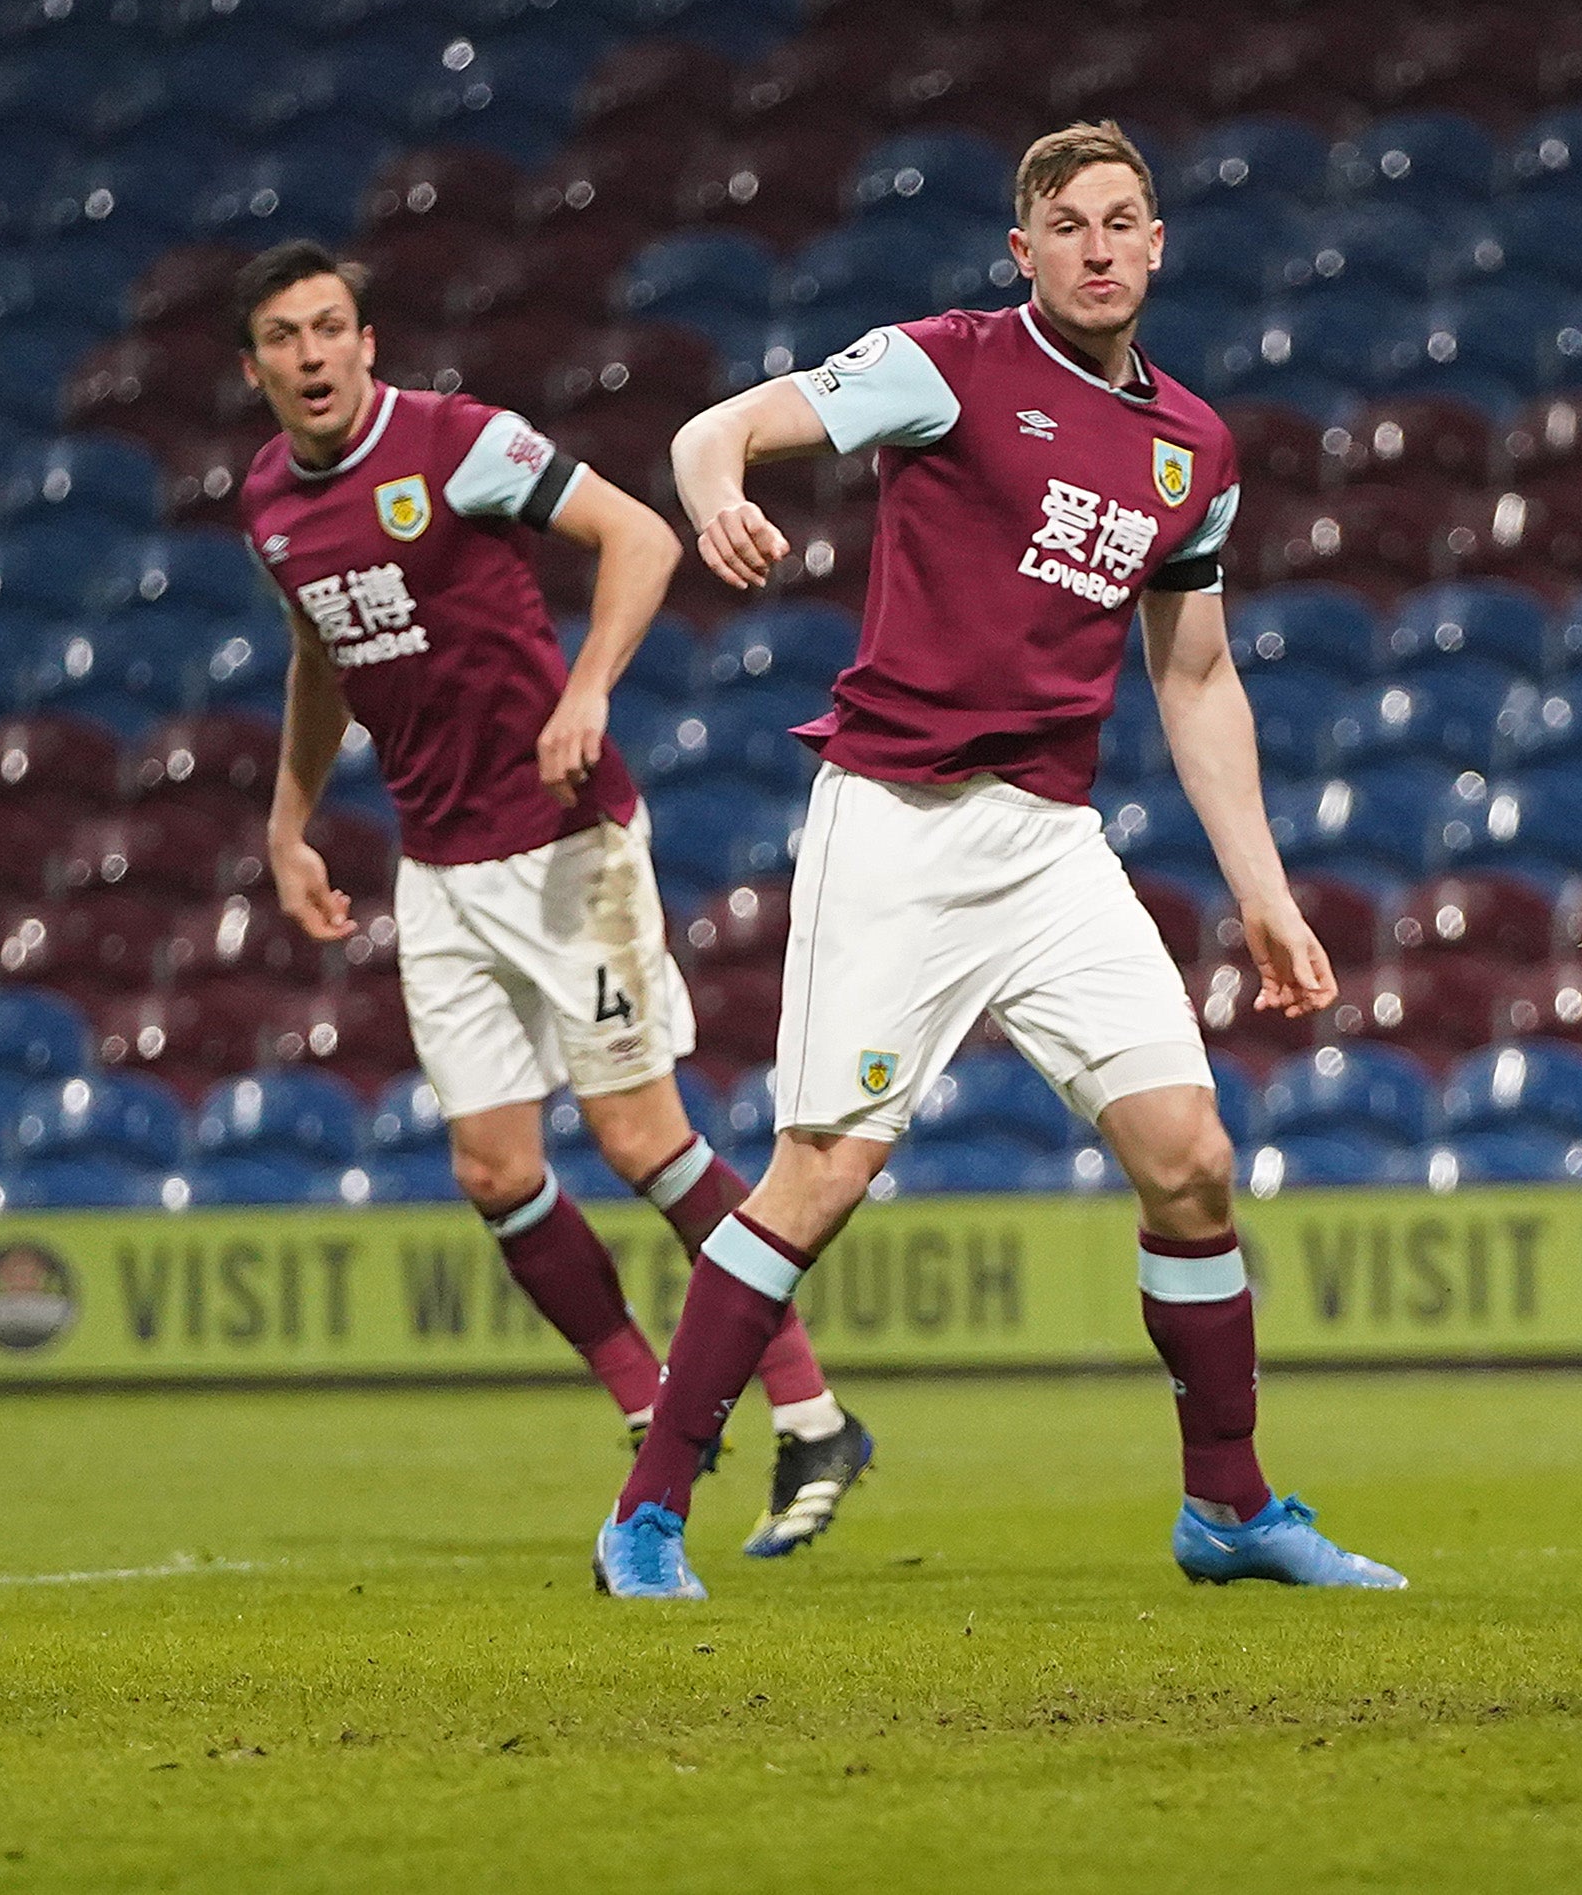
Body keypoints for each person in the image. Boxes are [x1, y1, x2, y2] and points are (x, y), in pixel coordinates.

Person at [592, 120, 1401, 1600]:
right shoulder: (943, 361)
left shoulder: (1195, 451)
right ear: (1021, 251)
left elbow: (1199, 675)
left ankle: (1226, 1504)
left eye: (1122, 221)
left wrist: (1263, 889)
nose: (1097, 247)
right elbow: (720, 427)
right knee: (821, 1175)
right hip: (896, 821)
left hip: (1049, 843)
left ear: (1158, 245)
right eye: (1067, 226)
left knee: (1193, 1160)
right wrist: (713, 490)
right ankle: (647, 1512)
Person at [237, 239, 871, 1559]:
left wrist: (586, 690)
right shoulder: (271, 506)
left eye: (330, 327)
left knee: (642, 1139)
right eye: (284, 336)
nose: (310, 353)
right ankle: (653, 1410)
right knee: (493, 1165)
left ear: (366, 341)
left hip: (567, 844)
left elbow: (637, 536)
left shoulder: (454, 442)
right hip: (440, 868)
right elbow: (318, 652)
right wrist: (291, 820)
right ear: (254, 367)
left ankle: (810, 1410)